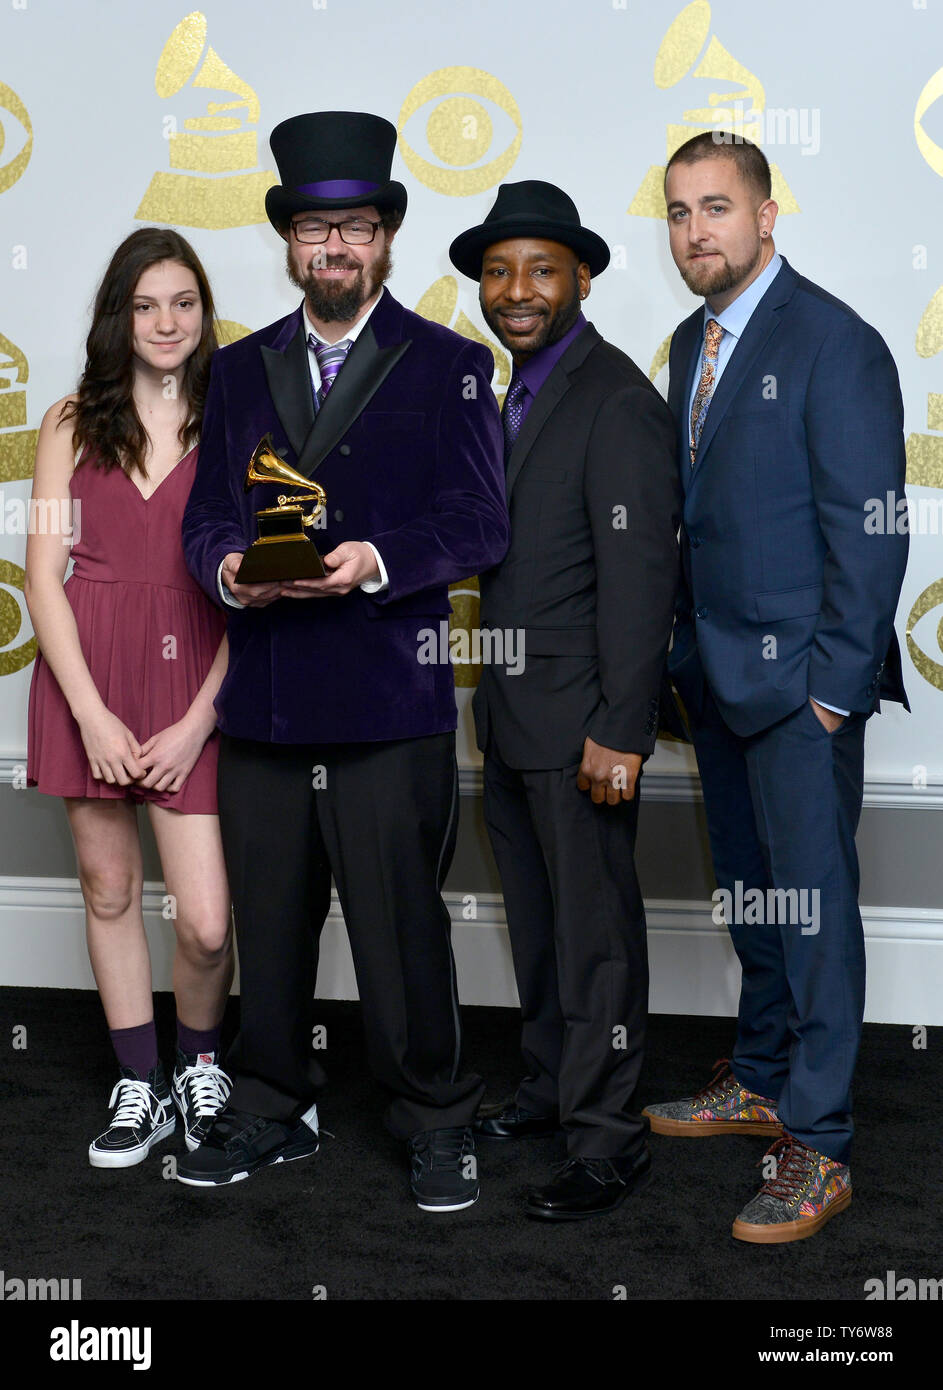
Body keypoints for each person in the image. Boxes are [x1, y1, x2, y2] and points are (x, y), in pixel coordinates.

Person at [178, 110, 509, 1211]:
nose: (335, 249)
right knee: (269, 926)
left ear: (386, 240)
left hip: (385, 700)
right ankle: (274, 1103)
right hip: (267, 701)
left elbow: (478, 523)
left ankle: (433, 1114)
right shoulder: (235, 370)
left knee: (401, 925)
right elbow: (206, 524)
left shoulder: (451, 364)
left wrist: (375, 559)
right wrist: (232, 573)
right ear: (287, 242)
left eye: (355, 229)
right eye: (317, 230)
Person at [645, 131, 909, 1242]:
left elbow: (869, 532)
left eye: (716, 208)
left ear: (765, 216)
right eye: (677, 212)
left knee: (813, 920)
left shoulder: (833, 343)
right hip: (715, 682)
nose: (695, 230)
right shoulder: (683, 343)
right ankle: (758, 1077)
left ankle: (822, 1142)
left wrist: (832, 695)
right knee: (752, 901)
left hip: (801, 691)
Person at [448, 181, 681, 1219]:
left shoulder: (615, 396)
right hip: (511, 720)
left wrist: (619, 730)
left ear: (580, 277)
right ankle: (550, 1092)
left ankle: (607, 1137)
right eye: (499, 272)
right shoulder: (511, 393)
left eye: (540, 268)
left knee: (593, 942)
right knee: (538, 928)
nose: (517, 290)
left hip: (583, 725)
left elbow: (640, 579)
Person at [25, 227, 234, 1168]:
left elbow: (258, 592)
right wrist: (91, 713)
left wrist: (199, 722)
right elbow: (40, 580)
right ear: (119, 315)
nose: (165, 321)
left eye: (182, 302)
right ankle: (139, 1086)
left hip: (198, 677)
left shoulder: (239, 422)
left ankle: (200, 1066)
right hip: (89, 676)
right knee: (108, 888)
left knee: (205, 920)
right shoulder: (67, 424)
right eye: (145, 304)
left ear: (203, 312)